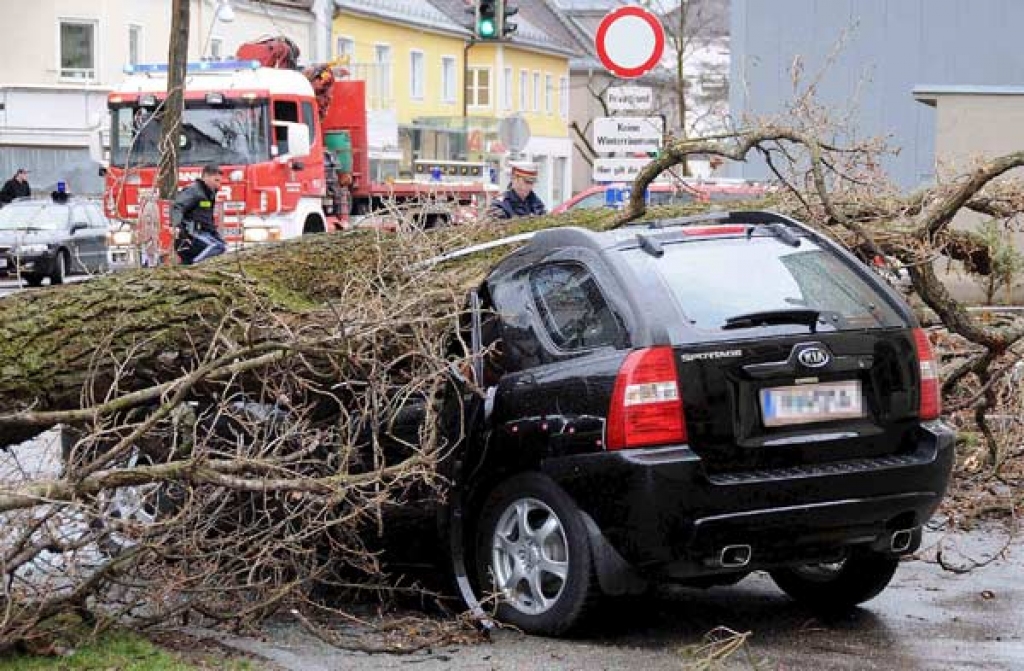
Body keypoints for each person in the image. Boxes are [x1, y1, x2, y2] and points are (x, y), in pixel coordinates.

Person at [172, 163, 228, 265]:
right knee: (218, 247)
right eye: (216, 181)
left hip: (202, 234)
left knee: (222, 246)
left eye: (220, 181)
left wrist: (216, 235)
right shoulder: (194, 191)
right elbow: (177, 207)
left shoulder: (208, 194)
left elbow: (207, 220)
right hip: (190, 234)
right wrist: (178, 227)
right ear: (205, 177)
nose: (218, 185)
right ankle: (195, 267)